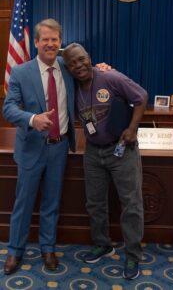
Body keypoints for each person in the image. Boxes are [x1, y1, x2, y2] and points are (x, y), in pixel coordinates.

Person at [2, 18, 110, 275]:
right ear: (36, 42)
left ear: (60, 42)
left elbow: (88, 71)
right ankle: (15, 251)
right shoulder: (20, 72)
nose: (50, 44)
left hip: (59, 147)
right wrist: (32, 119)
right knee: (23, 202)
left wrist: (103, 68)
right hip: (31, 147)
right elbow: (8, 109)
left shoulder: (67, 67)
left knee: (52, 202)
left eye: (55, 39)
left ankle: (47, 248)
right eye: (45, 39)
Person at [62, 43, 148, 280]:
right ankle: (103, 244)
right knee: (95, 202)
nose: (78, 66)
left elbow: (141, 97)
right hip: (93, 152)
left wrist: (132, 128)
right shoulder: (71, 85)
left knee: (131, 204)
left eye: (81, 59)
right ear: (67, 68)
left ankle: (132, 255)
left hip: (121, 150)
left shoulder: (110, 76)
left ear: (89, 57)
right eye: (72, 63)